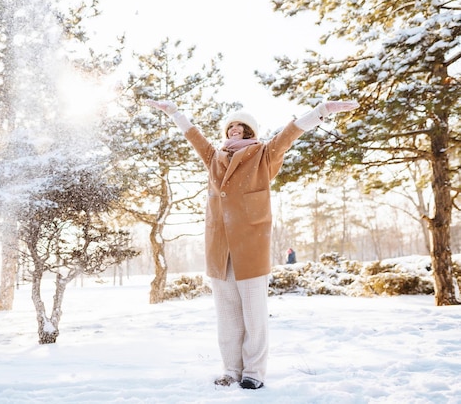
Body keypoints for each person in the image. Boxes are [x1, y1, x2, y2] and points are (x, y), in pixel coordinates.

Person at [145, 98, 359, 390]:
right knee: (228, 316)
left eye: (240, 126)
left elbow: (291, 132)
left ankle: (254, 373)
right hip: (220, 248)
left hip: (251, 246)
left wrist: (322, 111)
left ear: (249, 131)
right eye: (230, 126)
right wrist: (173, 112)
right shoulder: (214, 157)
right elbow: (193, 135)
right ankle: (231, 370)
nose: (234, 129)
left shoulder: (264, 155)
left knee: (254, 316)